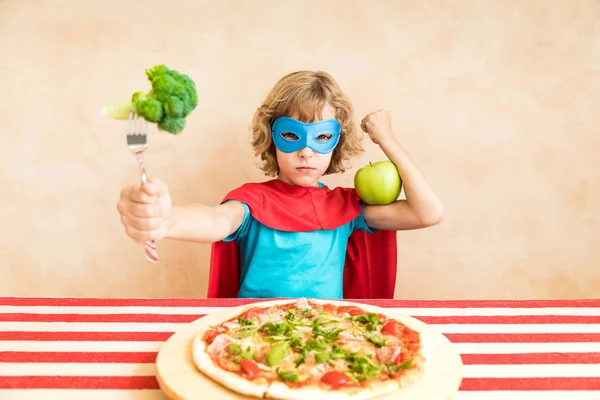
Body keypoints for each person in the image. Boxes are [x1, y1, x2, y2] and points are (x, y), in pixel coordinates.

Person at [116, 71, 443, 299]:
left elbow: (428, 212)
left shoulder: (348, 208)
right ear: (271, 137)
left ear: (336, 142)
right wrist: (165, 218)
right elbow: (216, 221)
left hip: (327, 341)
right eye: (291, 134)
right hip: (253, 336)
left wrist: (386, 138)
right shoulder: (252, 200)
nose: (306, 150)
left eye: (322, 136)